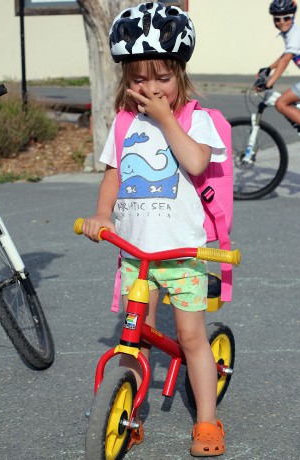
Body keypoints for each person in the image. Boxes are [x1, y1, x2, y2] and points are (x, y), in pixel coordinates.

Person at [82, 2, 227, 457]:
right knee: (134, 334)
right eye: (139, 78)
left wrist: (166, 120)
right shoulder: (125, 123)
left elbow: (198, 161)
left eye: (162, 77)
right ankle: (127, 408)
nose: (151, 87)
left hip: (183, 255)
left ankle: (207, 420)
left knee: (190, 339)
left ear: (180, 75)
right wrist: (103, 215)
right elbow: (113, 174)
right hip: (135, 254)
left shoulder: (195, 118)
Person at [258, 0, 300, 124]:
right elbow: (285, 56)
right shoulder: (290, 34)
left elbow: (286, 59)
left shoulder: (295, 34)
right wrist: (269, 68)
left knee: (281, 103)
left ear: (293, 17)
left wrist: (270, 82)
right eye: (277, 19)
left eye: (286, 18)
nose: (282, 22)